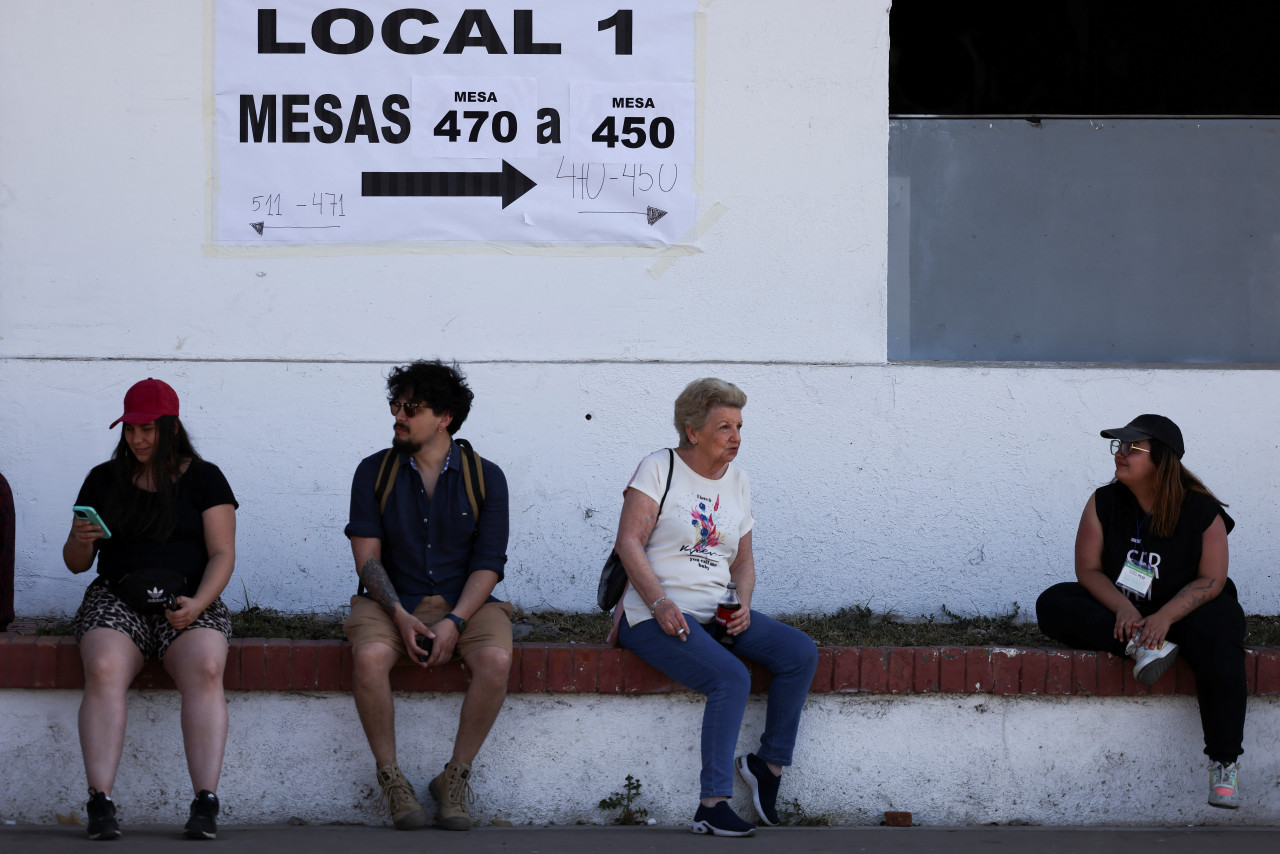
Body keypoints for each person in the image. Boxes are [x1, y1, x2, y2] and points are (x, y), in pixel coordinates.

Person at [611, 378, 818, 837]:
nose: (735, 436)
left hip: (717, 612)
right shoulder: (658, 467)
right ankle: (712, 803)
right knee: (730, 676)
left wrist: (742, 603)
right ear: (693, 431)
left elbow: (743, 562)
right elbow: (629, 543)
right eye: (724, 426)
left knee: (799, 652)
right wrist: (660, 601)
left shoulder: (738, 482)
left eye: (739, 426)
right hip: (652, 614)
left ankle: (769, 766)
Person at [1037, 414, 1245, 809]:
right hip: (1129, 610)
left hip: (1187, 610)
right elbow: (1088, 570)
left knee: (1220, 630)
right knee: (1054, 602)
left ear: (1161, 460)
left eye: (1133, 447)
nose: (1121, 454)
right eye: (1119, 446)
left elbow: (1212, 580)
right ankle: (1143, 647)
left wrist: (1165, 617)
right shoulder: (1104, 501)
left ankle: (1224, 762)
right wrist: (1123, 609)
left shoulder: (1202, 510)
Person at [63, 378, 238, 840]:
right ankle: (100, 802)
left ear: (172, 428)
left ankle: (205, 802)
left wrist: (199, 603)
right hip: (118, 598)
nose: (138, 439)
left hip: (189, 598)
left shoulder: (205, 478)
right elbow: (77, 565)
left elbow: (222, 553)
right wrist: (79, 541)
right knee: (103, 665)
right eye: (130, 429)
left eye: (149, 429)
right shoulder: (104, 479)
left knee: (204, 666)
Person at [343, 360, 512, 831]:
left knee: (496, 662)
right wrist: (398, 615)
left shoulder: (486, 477)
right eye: (395, 405)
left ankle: (454, 778)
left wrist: (455, 621)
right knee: (371, 654)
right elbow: (367, 559)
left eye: (411, 407)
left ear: (445, 418)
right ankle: (391, 778)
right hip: (390, 599)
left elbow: (489, 564)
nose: (398, 415)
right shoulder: (373, 471)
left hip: (467, 603)